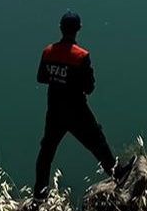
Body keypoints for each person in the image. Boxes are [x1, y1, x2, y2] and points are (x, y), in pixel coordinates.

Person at [34, 11, 120, 199]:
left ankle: (39, 193)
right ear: (78, 29)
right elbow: (89, 88)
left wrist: (58, 78)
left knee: (46, 152)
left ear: (60, 28)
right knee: (97, 142)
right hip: (77, 111)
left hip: (55, 111)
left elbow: (41, 77)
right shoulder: (81, 56)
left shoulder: (48, 51)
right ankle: (118, 175)